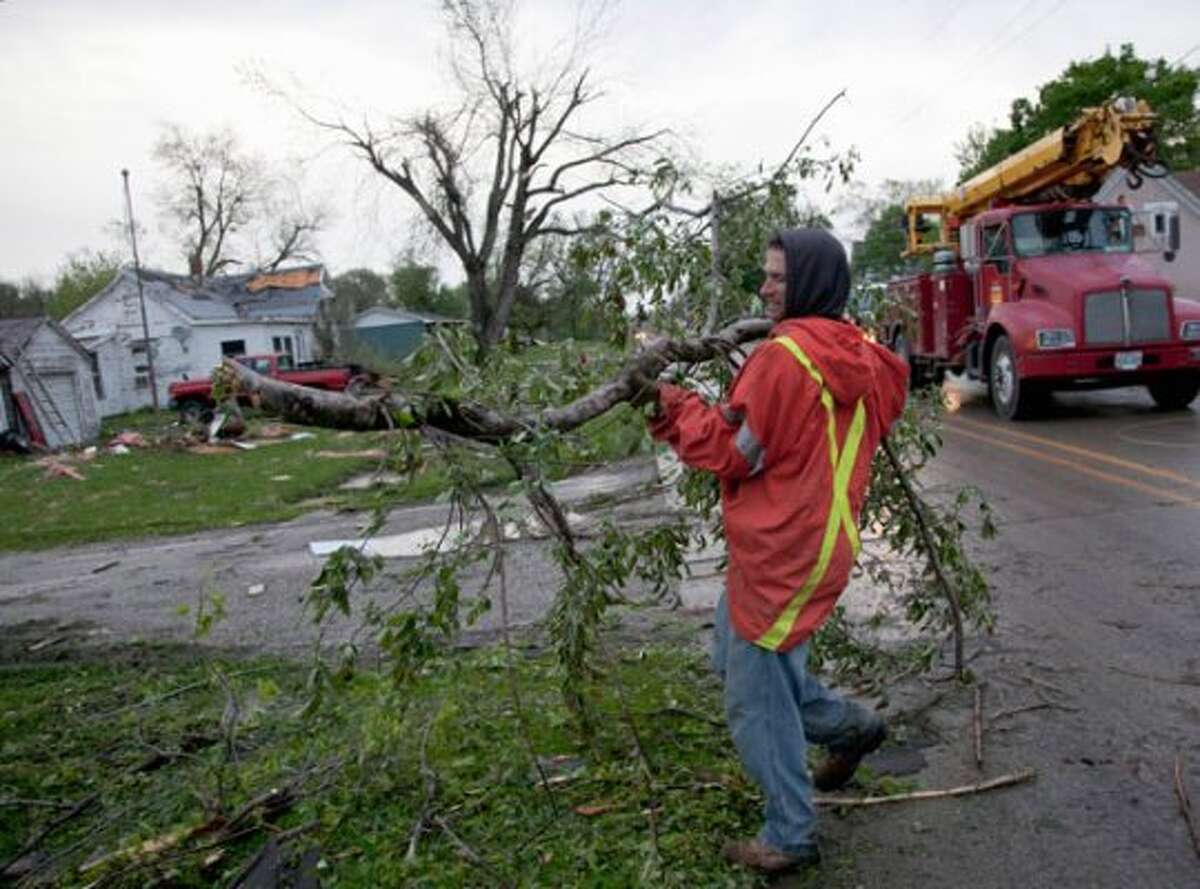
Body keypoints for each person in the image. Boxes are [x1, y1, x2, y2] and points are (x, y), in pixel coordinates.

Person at [643, 228, 909, 874]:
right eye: (765, 276)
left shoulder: (784, 357)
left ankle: (790, 832)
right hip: (819, 542)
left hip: (784, 550)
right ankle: (851, 727)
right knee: (740, 658)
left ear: (809, 285)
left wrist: (668, 405)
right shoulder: (864, 352)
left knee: (755, 697)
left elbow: (733, 451)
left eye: (777, 279)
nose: (764, 288)